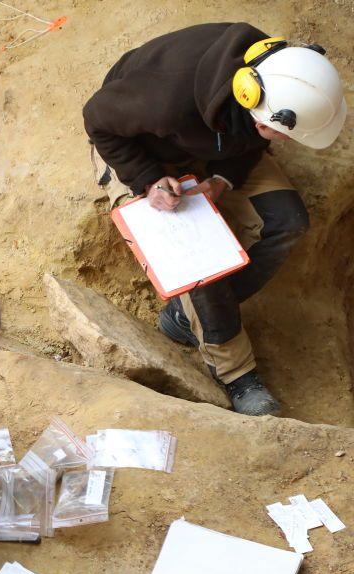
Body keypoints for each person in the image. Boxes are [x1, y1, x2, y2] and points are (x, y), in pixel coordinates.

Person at [83, 23, 347, 416]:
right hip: (138, 150)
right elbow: (97, 119)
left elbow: (253, 139)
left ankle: (187, 318)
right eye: (284, 134)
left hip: (217, 145)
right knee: (202, 260)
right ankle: (237, 372)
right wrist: (148, 179)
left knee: (287, 221)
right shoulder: (164, 101)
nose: (290, 143)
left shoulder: (272, 73)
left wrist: (224, 180)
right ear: (252, 106)